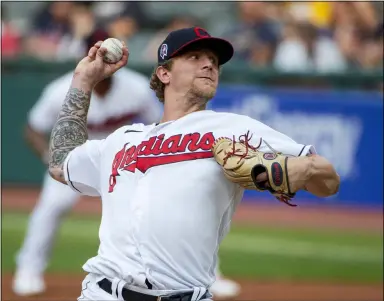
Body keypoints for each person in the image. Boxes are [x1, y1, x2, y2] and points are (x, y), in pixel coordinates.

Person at [47, 27, 340, 301]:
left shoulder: (233, 129)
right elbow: (60, 163)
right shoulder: (122, 139)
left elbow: (327, 178)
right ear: (164, 73)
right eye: (195, 57)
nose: (209, 65)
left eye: (213, 60)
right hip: (103, 292)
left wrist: (296, 170)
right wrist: (83, 81)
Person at [12, 29, 162, 297]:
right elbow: (33, 129)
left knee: (155, 212)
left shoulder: (137, 87)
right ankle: (28, 269)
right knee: (51, 207)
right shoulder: (60, 90)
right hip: (76, 158)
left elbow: (160, 125)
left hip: (121, 160)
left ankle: (201, 275)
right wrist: (49, 156)